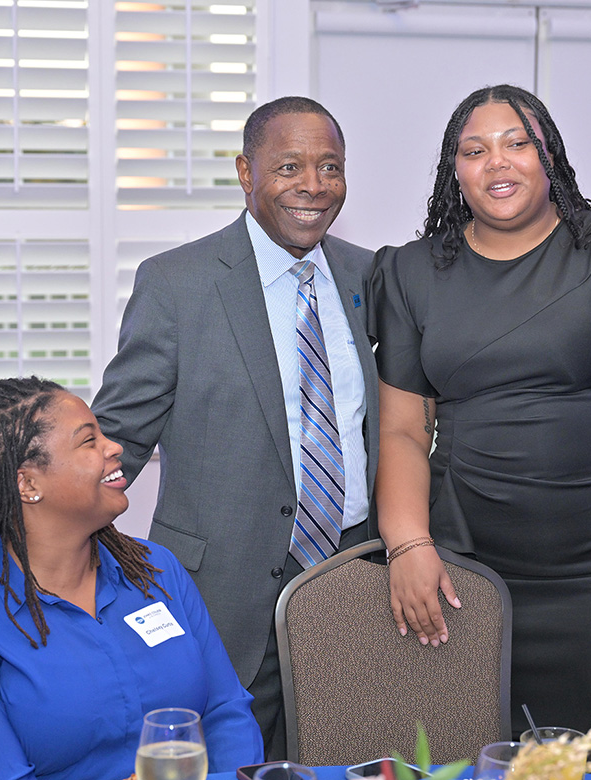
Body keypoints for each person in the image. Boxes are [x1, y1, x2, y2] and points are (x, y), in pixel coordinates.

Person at [369, 84, 591, 779]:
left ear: (548, 155)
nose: (496, 162)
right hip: (466, 565)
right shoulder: (413, 272)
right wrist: (407, 543)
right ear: (454, 170)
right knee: (464, 753)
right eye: (473, 150)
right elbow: (404, 429)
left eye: (517, 143)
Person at [91, 96, 378, 756]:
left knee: (345, 750)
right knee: (228, 759)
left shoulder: (372, 275)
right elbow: (122, 433)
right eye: (289, 166)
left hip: (355, 571)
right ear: (246, 173)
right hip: (220, 586)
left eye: (330, 166)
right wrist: (43, 533)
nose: (313, 185)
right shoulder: (176, 284)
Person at [0, 377, 262, 780]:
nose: (114, 446)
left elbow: (226, 713)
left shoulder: (157, 570)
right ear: (28, 483)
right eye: (89, 441)